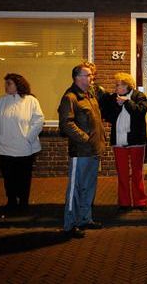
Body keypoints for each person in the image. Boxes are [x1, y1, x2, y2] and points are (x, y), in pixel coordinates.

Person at [58, 64, 107, 238]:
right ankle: (70, 224)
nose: (91, 78)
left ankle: (85, 219)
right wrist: (85, 138)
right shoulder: (70, 98)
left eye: (92, 75)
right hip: (80, 152)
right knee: (75, 190)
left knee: (89, 188)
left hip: (93, 150)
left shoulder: (90, 96)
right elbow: (66, 124)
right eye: (88, 75)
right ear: (77, 77)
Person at [0, 73, 44, 213]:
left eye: (9, 83)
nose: (6, 86)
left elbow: (38, 120)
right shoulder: (1, 102)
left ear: (18, 84)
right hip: (5, 148)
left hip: (24, 148)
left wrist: (28, 138)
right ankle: (11, 201)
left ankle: (24, 202)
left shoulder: (30, 101)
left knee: (24, 177)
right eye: (6, 83)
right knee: (8, 177)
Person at [100, 72, 147, 212]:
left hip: (136, 140)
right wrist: (117, 105)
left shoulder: (139, 96)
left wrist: (126, 102)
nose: (116, 88)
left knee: (137, 172)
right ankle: (124, 202)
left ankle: (140, 201)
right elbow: (108, 116)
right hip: (118, 140)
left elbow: (140, 112)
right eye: (116, 85)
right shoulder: (113, 98)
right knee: (122, 173)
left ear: (128, 85)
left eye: (119, 85)